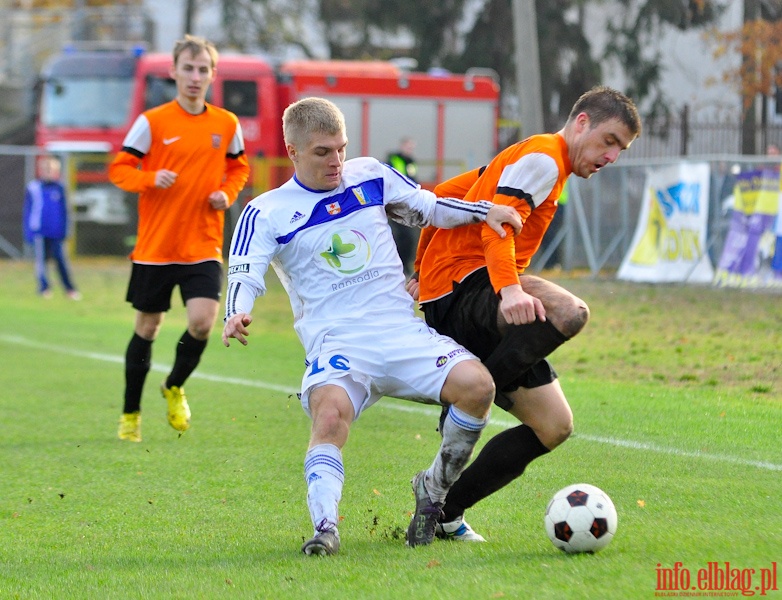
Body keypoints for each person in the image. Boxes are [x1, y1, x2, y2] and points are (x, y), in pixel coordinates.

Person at [221, 97, 522, 556]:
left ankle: (434, 492)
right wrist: (236, 310)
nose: (336, 161)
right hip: (338, 342)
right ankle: (325, 528)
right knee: (328, 416)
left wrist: (485, 212)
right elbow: (244, 270)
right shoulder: (267, 211)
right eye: (322, 152)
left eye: (341, 148)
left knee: (479, 387)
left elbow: (430, 207)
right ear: (293, 150)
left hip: (399, 331)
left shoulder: (371, 175)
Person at [409, 86, 641, 541]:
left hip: (463, 289)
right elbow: (498, 230)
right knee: (569, 311)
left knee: (554, 426)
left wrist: (420, 269)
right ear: (581, 123)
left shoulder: (531, 158)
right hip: (467, 286)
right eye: (609, 140)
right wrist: (510, 289)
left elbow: (442, 197)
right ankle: (463, 404)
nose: (612, 155)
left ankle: (444, 509)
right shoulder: (544, 157)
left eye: (622, 149)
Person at [109, 34, 250, 443]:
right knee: (148, 328)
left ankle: (173, 386)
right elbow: (120, 170)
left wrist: (227, 193)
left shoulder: (226, 124)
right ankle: (130, 414)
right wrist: (151, 178)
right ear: (173, 72)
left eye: (202, 69)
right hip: (155, 248)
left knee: (203, 323)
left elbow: (238, 169)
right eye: (187, 68)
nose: (194, 76)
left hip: (203, 246)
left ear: (212, 74)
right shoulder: (152, 122)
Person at [22, 154, 81, 300]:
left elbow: (65, 211)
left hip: (56, 232)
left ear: (56, 171)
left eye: (51, 169)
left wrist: (65, 230)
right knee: (41, 261)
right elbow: (28, 211)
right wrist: (28, 232)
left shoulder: (60, 188)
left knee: (60, 260)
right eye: (45, 169)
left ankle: (70, 289)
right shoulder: (33, 188)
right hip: (39, 231)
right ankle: (44, 288)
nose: (47, 172)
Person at [386, 136, 420, 275]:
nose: (410, 150)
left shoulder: (411, 162)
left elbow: (412, 180)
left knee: (408, 238)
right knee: (398, 237)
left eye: (411, 147)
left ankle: (405, 266)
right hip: (395, 203)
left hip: (408, 203)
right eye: (408, 147)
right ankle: (398, 266)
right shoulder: (394, 160)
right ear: (402, 146)